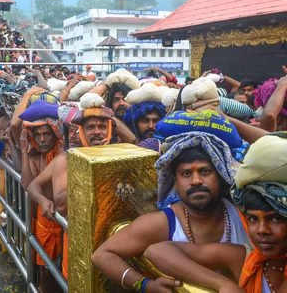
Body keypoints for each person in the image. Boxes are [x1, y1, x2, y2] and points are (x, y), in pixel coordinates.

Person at [92, 131, 250, 291]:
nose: (196, 181)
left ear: (220, 175)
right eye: (186, 173)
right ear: (175, 181)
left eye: (205, 171)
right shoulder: (162, 223)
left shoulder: (245, 214)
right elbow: (102, 255)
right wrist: (144, 285)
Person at [143, 132, 287, 293]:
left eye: (275, 219)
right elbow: (156, 251)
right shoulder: (244, 258)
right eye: (253, 219)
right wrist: (223, 284)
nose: (262, 230)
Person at [27, 94, 118, 280]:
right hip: (80, 239)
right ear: (81, 131)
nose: (97, 132)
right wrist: (43, 200)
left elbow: (132, 139)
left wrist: (110, 116)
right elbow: (48, 196)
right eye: (91, 127)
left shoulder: (119, 155)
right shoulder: (66, 159)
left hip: (112, 241)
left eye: (102, 126)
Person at [19, 101, 64, 293]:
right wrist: (23, 151)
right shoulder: (33, 156)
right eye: (37, 135)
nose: (43, 139)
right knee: (48, 269)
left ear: (55, 134)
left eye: (46, 134)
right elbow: (26, 184)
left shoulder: (63, 155)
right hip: (44, 221)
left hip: (63, 219)